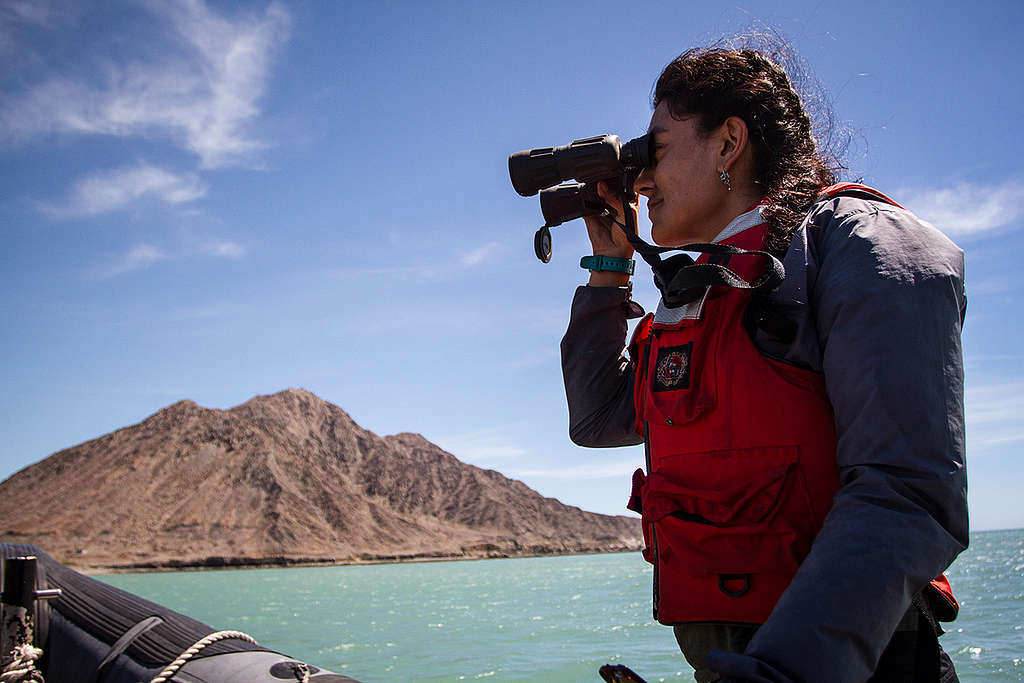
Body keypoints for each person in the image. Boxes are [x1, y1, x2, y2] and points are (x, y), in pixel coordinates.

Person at [560, 43, 967, 683]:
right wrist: (610, 270)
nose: (638, 181)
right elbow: (597, 418)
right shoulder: (694, 291)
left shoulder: (860, 246)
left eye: (655, 151)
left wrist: (783, 673)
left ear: (729, 143)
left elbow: (908, 491)